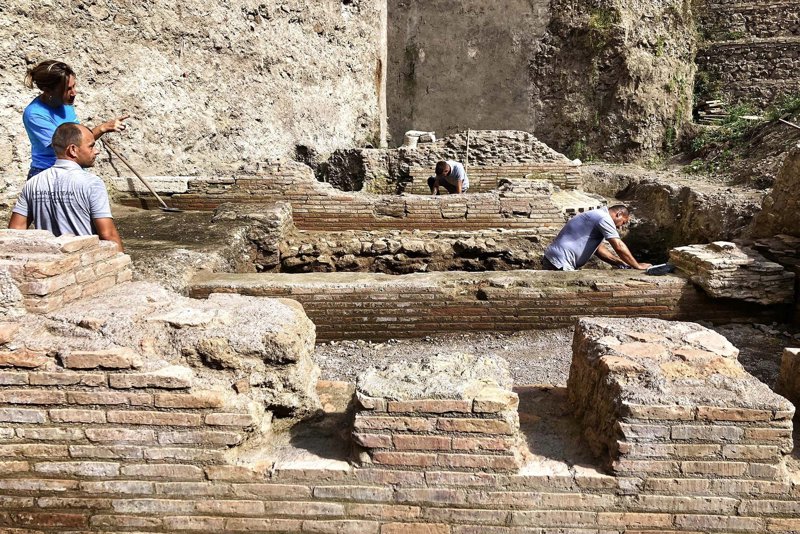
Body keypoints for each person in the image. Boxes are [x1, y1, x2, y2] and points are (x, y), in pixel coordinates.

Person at [9, 123, 123, 252]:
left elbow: (15, 231)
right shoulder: (92, 183)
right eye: (91, 146)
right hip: (83, 260)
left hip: (50, 260)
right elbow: (108, 235)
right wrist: (123, 262)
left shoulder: (33, 183)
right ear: (72, 150)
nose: (96, 151)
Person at [23, 59, 129, 179]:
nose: (74, 93)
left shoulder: (64, 103)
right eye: (68, 89)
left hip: (71, 171)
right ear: (48, 91)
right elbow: (69, 147)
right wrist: (102, 128)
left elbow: (77, 139)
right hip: (48, 175)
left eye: (74, 86)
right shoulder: (35, 114)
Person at [543, 205, 650, 271]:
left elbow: (599, 250)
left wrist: (621, 263)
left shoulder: (597, 216)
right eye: (623, 222)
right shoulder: (604, 218)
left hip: (556, 260)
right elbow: (618, 246)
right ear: (619, 214)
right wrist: (637, 266)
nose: (620, 227)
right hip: (561, 262)